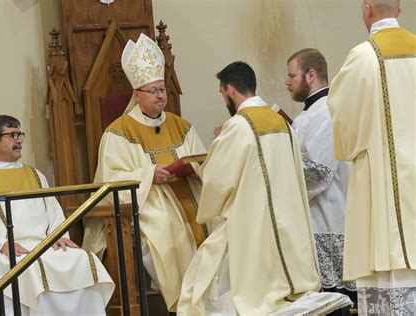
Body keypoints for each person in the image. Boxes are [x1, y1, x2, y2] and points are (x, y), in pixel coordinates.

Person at [178, 61, 352, 315]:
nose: (223, 99)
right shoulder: (280, 123)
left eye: (222, 93)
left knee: (203, 277)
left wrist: (217, 151)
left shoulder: (237, 127)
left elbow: (217, 181)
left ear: (229, 90)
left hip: (252, 225)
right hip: (289, 224)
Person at [82, 33, 207, 313]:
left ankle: (212, 303)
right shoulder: (118, 131)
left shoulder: (180, 125)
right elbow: (109, 181)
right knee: (167, 230)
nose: (161, 96)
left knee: (216, 220)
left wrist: (195, 167)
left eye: (162, 89)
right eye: (153, 91)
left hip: (188, 194)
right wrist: (150, 174)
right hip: (148, 201)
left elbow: (202, 160)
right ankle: (185, 305)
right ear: (137, 95)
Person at [0, 115, 114, 315]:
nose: (19, 139)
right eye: (12, 135)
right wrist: (0, 245)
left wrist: (60, 237)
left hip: (46, 245)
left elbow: (54, 214)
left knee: (81, 259)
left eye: (20, 134)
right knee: (27, 269)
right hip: (8, 251)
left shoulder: (35, 175)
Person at [327, 0, 415, 314]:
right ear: (400, 11)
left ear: (366, 10)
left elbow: (343, 122)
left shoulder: (363, 58)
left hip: (383, 196)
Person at [285, 48, 357, 311]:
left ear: (311, 75)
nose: (287, 81)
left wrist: (279, 180)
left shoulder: (327, 112)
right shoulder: (307, 115)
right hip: (314, 222)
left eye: (292, 75)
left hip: (329, 219)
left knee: (337, 299)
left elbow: (317, 173)